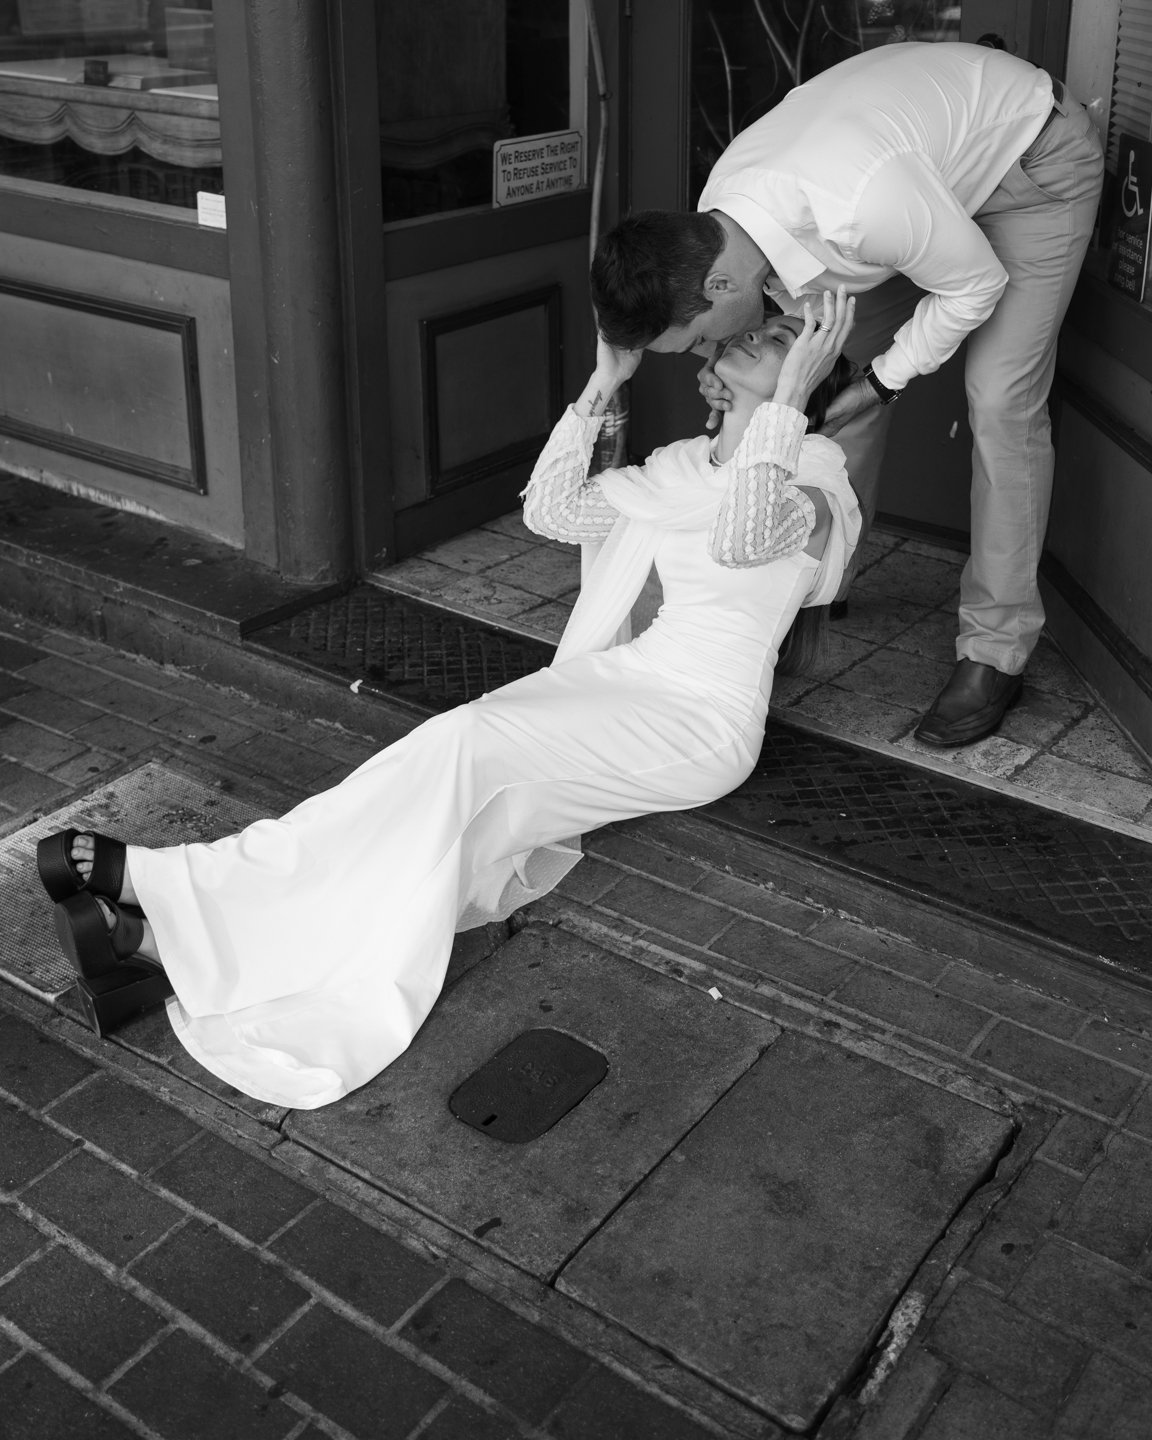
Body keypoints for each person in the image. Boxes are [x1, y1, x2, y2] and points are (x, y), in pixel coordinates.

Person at [36, 296, 859, 1109]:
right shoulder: (684, 466)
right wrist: (604, 383)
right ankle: (169, 935)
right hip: (623, 680)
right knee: (437, 780)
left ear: (814, 371)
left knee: (461, 753)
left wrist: (790, 405)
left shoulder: (817, 479)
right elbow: (551, 512)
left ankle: (176, 915)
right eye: (757, 327)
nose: (758, 334)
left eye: (788, 336)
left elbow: (743, 540)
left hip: (694, 720)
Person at [590, 40, 1105, 749]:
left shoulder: (856, 207)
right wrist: (765, 378)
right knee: (814, 395)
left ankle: (995, 650)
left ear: (717, 287)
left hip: (1028, 169)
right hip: (910, 185)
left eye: (695, 342)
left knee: (997, 402)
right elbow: (788, 345)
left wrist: (884, 382)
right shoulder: (721, 211)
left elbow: (974, 283)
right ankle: (799, 594)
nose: (705, 359)